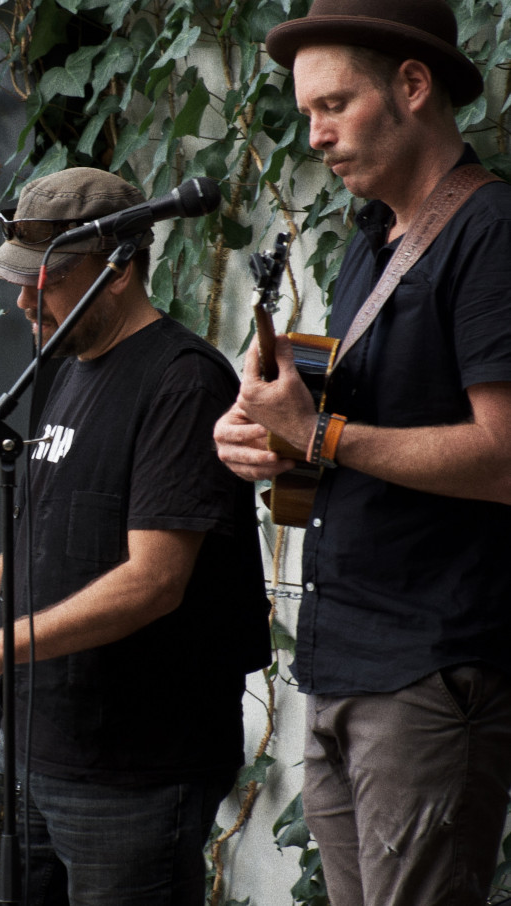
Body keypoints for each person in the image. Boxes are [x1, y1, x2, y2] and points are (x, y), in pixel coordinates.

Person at [0, 167, 270, 905]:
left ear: (117, 270)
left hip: (135, 767)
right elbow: (51, 541)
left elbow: (153, 580)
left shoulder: (183, 382)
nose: (26, 298)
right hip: (34, 749)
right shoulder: (69, 370)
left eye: (48, 280)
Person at [213, 2, 511, 904]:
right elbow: (333, 430)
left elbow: (502, 458)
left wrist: (319, 434)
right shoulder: (367, 243)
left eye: (334, 105)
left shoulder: (489, 232)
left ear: (414, 87)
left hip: (431, 664)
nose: (317, 136)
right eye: (307, 114)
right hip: (343, 653)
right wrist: (266, 433)